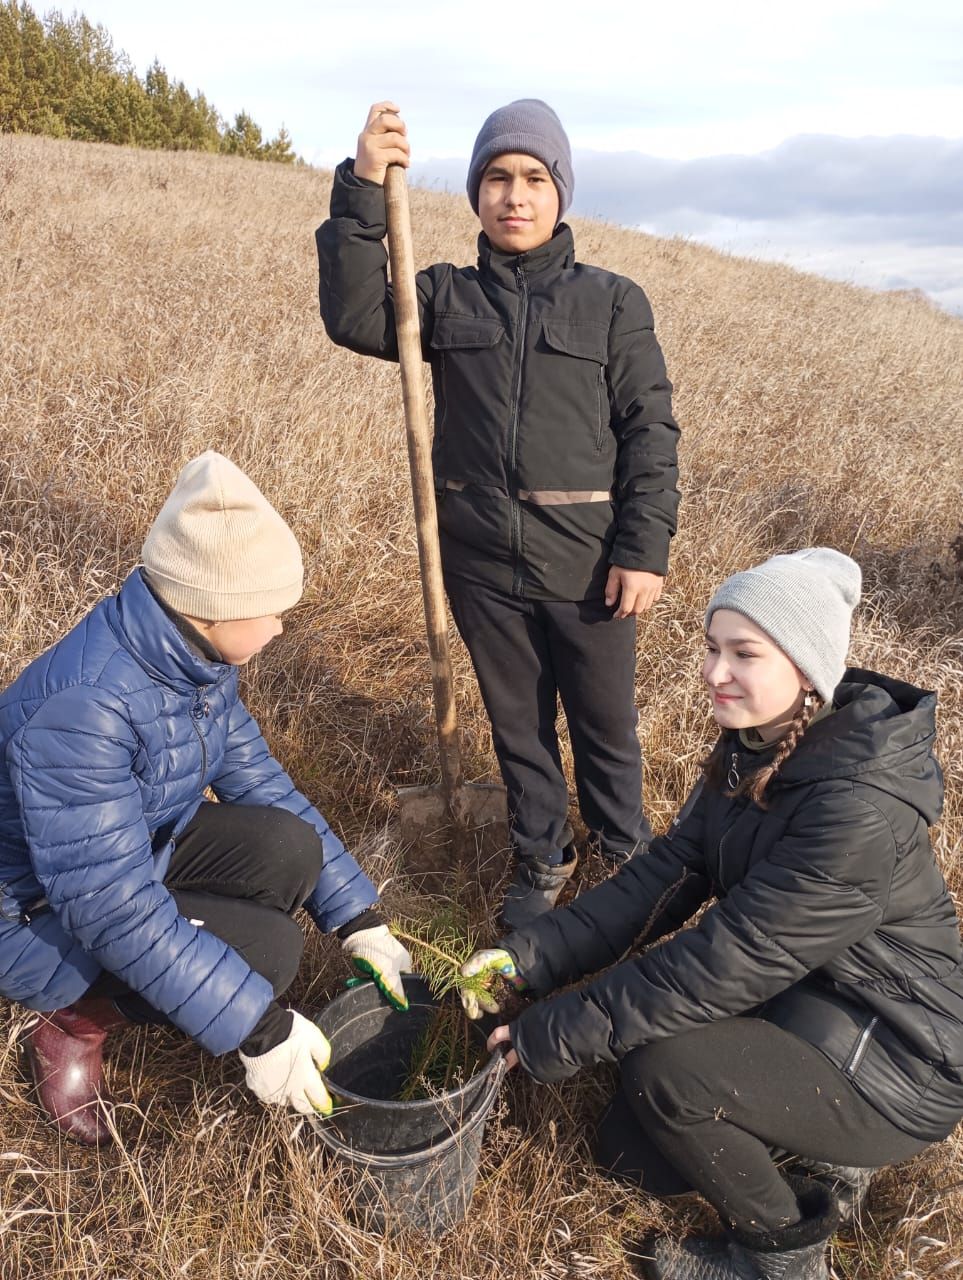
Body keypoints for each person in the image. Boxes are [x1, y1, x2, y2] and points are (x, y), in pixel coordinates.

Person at [460, 548, 963, 1280]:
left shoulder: (856, 809)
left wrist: (557, 1032)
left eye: (743, 653)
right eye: (710, 647)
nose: (712, 672)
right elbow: (663, 878)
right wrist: (529, 957)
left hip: (896, 1058)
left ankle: (784, 1257)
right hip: (807, 1000)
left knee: (669, 1074)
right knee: (633, 1158)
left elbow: (723, 962)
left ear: (806, 670)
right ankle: (812, 1149)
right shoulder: (757, 749)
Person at [316, 99, 680, 927]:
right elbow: (354, 315)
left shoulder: (613, 303)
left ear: (560, 195)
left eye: (532, 179)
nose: (513, 196)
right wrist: (363, 187)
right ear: (476, 194)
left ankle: (625, 858)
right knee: (519, 734)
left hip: (589, 567)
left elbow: (649, 431)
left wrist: (643, 548)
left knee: (605, 731)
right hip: (481, 565)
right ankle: (541, 859)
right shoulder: (445, 296)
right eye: (495, 179)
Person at [0, 451, 412, 1146]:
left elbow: (262, 780)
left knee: (290, 847)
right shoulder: (85, 707)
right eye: (272, 612)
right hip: (32, 912)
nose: (282, 628)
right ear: (211, 608)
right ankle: (74, 1023)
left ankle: (199, 959)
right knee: (270, 953)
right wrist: (256, 1023)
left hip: (135, 849)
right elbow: (109, 905)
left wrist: (358, 917)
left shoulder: (195, 661)